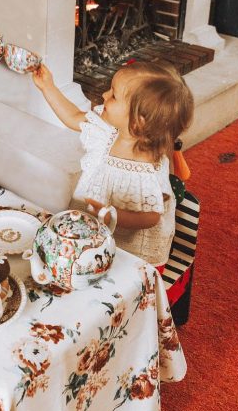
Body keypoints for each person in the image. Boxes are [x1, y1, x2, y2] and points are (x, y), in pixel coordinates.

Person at [32, 61, 194, 267]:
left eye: (114, 95)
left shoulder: (147, 169)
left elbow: (151, 217)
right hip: (94, 231)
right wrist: (48, 87)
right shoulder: (107, 130)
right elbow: (73, 117)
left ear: (138, 121)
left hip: (131, 252)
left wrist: (113, 215)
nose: (104, 96)